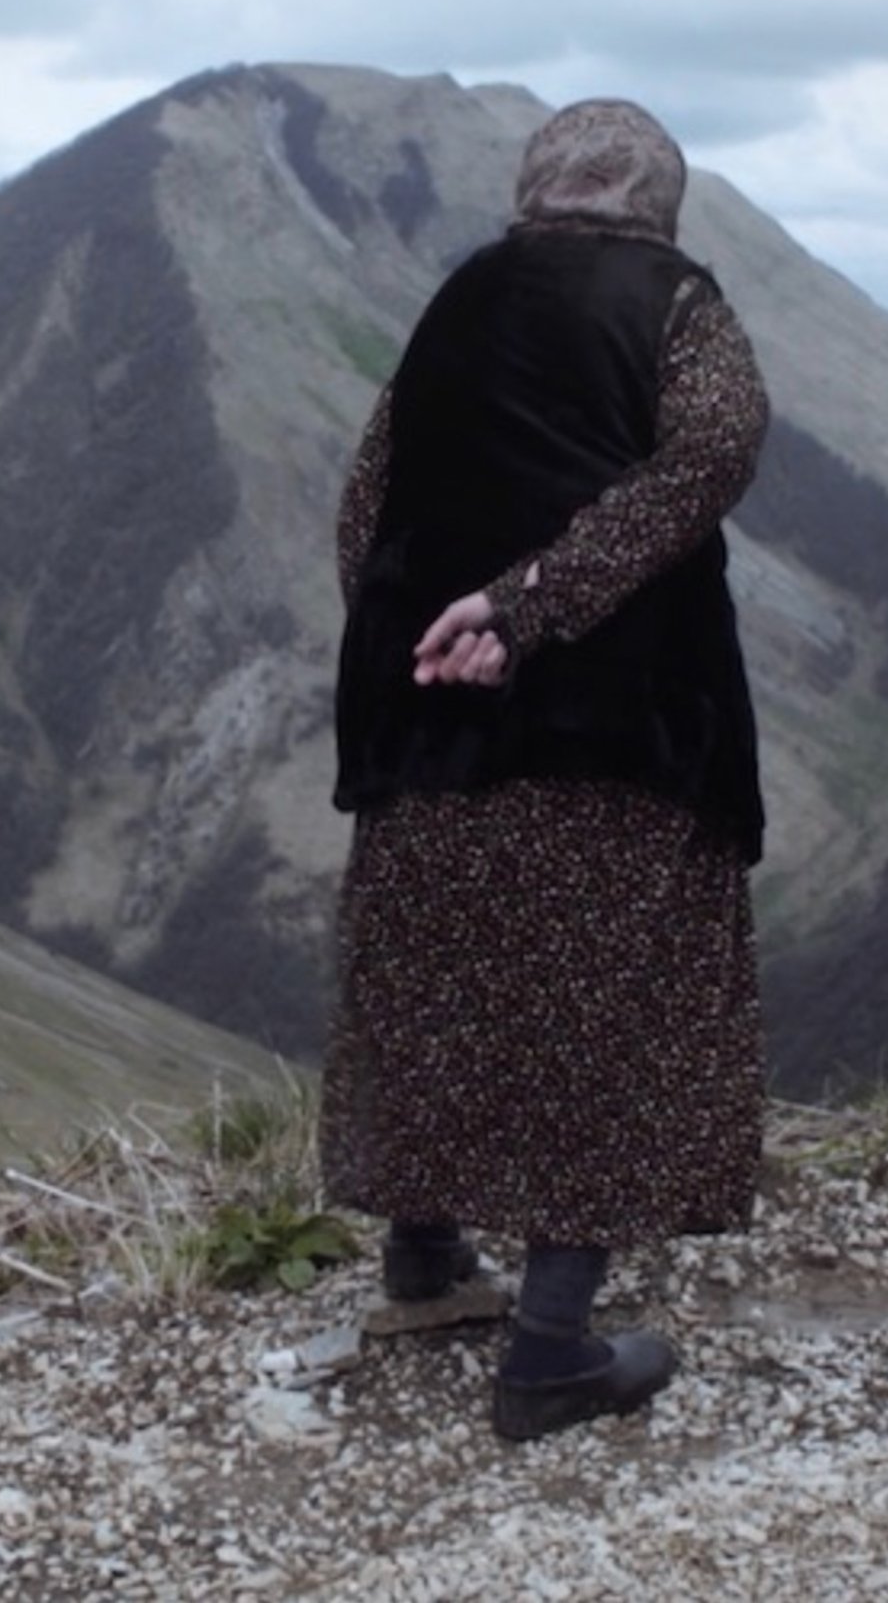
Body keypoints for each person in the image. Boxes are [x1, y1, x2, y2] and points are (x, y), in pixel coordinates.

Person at [325, 97, 771, 1443]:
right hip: (619, 727)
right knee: (606, 1008)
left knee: (437, 985)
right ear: (658, 195)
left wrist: (431, 640)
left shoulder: (459, 300)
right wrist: (536, 604)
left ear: (537, 186)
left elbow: (364, 504)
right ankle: (553, 1350)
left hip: (427, 728)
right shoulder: (676, 304)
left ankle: (423, 1266)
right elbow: (715, 450)